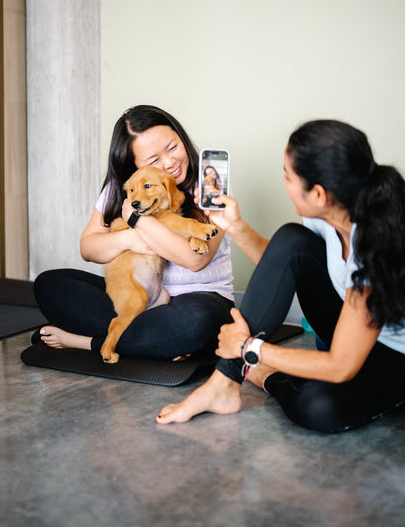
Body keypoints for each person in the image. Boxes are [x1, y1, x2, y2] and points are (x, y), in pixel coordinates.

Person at [156, 119, 405, 433]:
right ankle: (223, 384)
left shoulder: (376, 248)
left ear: (318, 194)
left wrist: (251, 348)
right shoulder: (329, 213)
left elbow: (341, 366)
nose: (283, 180)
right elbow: (283, 265)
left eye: (288, 175)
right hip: (349, 329)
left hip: (394, 357)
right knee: (290, 239)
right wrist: (235, 226)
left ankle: (265, 374)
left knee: (318, 408)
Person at [33, 105, 234, 361]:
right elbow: (88, 248)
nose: (169, 163)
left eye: (172, 147)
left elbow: (195, 260)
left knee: (197, 322)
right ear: (133, 166)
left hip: (199, 300)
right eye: (153, 160)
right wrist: (130, 238)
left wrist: (135, 218)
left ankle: (88, 342)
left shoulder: (210, 184)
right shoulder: (128, 189)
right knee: (49, 284)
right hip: (136, 295)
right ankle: (154, 342)